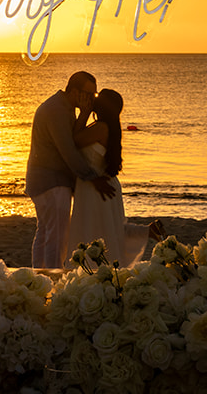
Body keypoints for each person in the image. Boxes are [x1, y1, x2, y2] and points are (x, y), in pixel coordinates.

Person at [25, 71, 117, 268]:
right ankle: (52, 281)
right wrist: (93, 178)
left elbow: (73, 142)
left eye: (95, 94)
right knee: (57, 237)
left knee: (46, 232)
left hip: (45, 179)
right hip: (51, 180)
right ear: (75, 92)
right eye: (90, 94)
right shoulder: (57, 111)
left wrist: (83, 114)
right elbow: (69, 151)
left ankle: (39, 278)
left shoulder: (64, 107)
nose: (93, 99)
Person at [63, 88, 160, 266]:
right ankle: (148, 232)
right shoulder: (108, 127)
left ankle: (93, 273)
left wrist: (84, 112)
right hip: (101, 184)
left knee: (94, 231)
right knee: (110, 229)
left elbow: (74, 140)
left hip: (95, 188)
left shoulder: (100, 128)